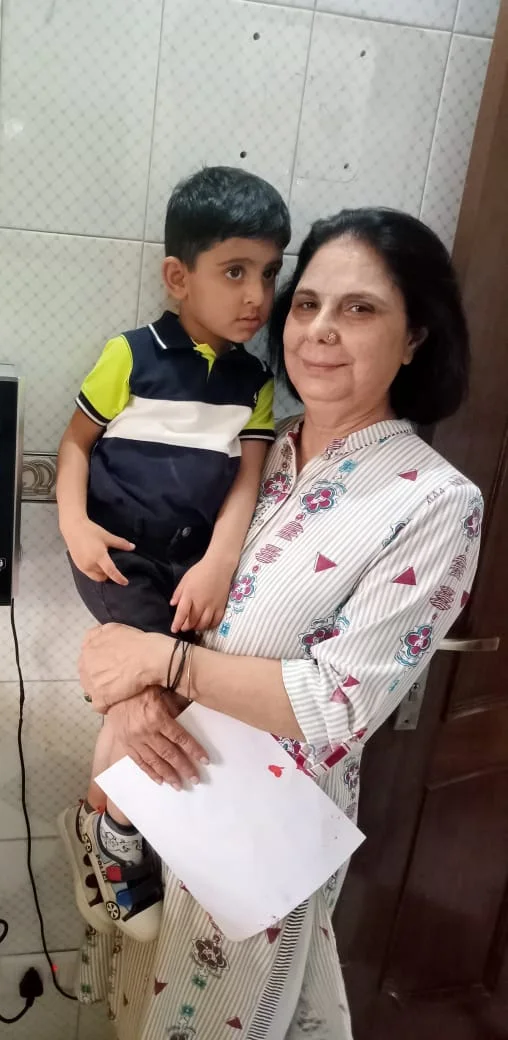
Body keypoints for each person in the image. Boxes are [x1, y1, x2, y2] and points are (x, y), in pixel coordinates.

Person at [74, 207, 483, 1039]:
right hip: (151, 798)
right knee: (132, 1007)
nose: (320, 330)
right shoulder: (252, 449)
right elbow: (147, 585)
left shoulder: (435, 503)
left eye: (359, 308)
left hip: (255, 833)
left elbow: (336, 708)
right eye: (307, 304)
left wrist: (161, 665)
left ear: (414, 337)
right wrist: (127, 683)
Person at [56, 167, 291, 942]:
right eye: (235, 272)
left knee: (172, 693)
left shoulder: (255, 382)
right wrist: (74, 525)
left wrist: (220, 562)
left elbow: (247, 481)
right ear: (178, 277)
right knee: (148, 692)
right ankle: (115, 836)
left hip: (192, 567)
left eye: (269, 273)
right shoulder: (131, 355)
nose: (257, 296)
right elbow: (74, 446)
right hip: (118, 557)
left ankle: (104, 821)